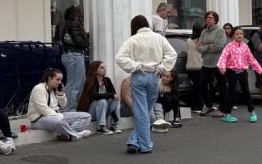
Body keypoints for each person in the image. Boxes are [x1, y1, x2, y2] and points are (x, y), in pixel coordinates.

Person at [116, 15, 176, 153]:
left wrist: (135, 66)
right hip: (154, 76)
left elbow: (120, 58)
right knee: (144, 110)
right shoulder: (158, 38)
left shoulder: (132, 40)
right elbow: (172, 54)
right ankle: (135, 141)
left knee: (141, 111)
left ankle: (143, 145)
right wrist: (162, 67)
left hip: (139, 75)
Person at [28, 68, 93, 141]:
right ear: (49, 78)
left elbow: (63, 106)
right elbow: (42, 109)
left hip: (57, 115)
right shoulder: (39, 89)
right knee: (59, 121)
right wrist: (59, 116)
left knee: (86, 116)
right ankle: (77, 135)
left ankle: (69, 134)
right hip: (39, 119)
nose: (60, 82)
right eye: (57, 79)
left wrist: (61, 95)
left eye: (61, 80)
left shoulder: (55, 89)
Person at [217, 27, 262, 122]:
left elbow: (251, 58)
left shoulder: (245, 46)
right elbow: (223, 57)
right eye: (237, 34)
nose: (239, 36)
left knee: (246, 92)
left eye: (241, 34)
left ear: (243, 35)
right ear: (233, 36)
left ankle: (252, 113)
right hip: (231, 71)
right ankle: (227, 114)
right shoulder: (229, 46)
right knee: (231, 92)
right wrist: (222, 67)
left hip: (243, 72)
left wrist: (259, 69)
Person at [56, 4, 89, 110]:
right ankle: (69, 109)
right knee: (75, 85)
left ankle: (72, 108)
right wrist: (86, 42)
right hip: (74, 56)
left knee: (75, 84)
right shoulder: (73, 25)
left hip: (70, 55)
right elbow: (79, 41)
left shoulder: (64, 24)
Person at [77, 60, 121, 134]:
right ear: (95, 71)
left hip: (103, 111)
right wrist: (110, 95)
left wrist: (112, 96)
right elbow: (95, 96)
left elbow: (114, 95)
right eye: (101, 68)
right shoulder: (91, 81)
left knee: (115, 100)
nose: (104, 69)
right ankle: (101, 127)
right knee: (102, 101)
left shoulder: (107, 80)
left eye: (104, 67)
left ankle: (114, 125)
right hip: (92, 112)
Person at [196, 10, 227, 116]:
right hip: (206, 62)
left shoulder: (220, 31)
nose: (208, 19)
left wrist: (206, 46)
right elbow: (198, 47)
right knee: (202, 83)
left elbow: (219, 46)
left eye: (210, 18)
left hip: (218, 62)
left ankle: (223, 109)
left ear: (215, 19)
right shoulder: (204, 31)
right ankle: (209, 105)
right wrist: (209, 46)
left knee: (221, 85)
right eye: (207, 18)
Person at [185, 22, 203, 95]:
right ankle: (200, 101)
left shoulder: (188, 40)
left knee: (195, 86)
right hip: (199, 67)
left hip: (189, 67)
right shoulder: (202, 41)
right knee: (200, 87)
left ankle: (195, 101)